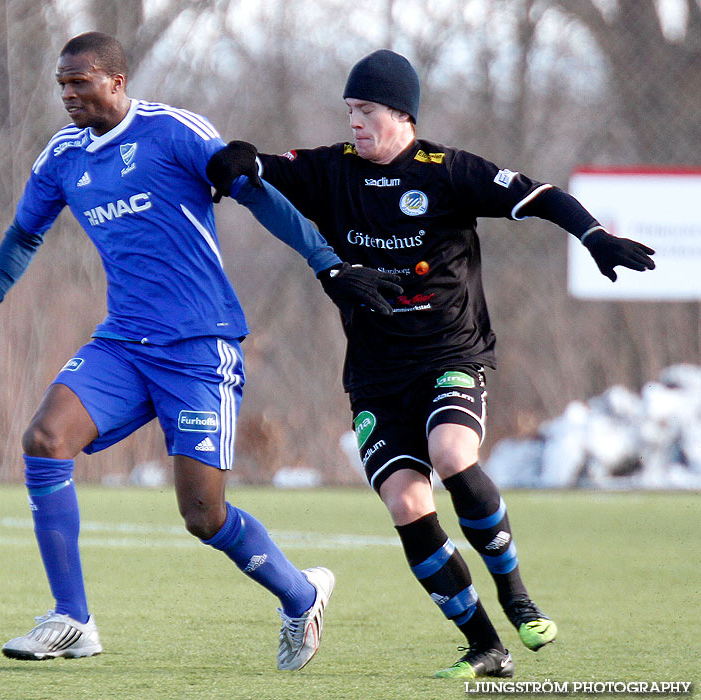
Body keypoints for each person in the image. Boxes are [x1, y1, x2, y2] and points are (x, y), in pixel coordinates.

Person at [0, 32, 401, 671]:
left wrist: (328, 266)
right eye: (61, 85)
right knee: (46, 439)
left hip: (199, 346)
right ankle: (72, 619)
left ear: (116, 80)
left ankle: (301, 594)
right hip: (123, 342)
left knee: (202, 514)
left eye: (79, 82)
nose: (68, 95)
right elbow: (25, 232)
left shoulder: (172, 131)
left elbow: (257, 193)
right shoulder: (62, 157)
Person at [207, 49, 655, 679]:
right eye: (349, 111)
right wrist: (237, 154)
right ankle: (484, 646)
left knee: (451, 456)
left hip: (450, 353)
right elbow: (265, 166)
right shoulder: (331, 170)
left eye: (366, 110)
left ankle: (517, 595)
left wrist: (594, 235)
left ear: (401, 114)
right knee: (407, 503)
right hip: (374, 376)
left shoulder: (448, 171)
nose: (355, 122)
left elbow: (541, 196)